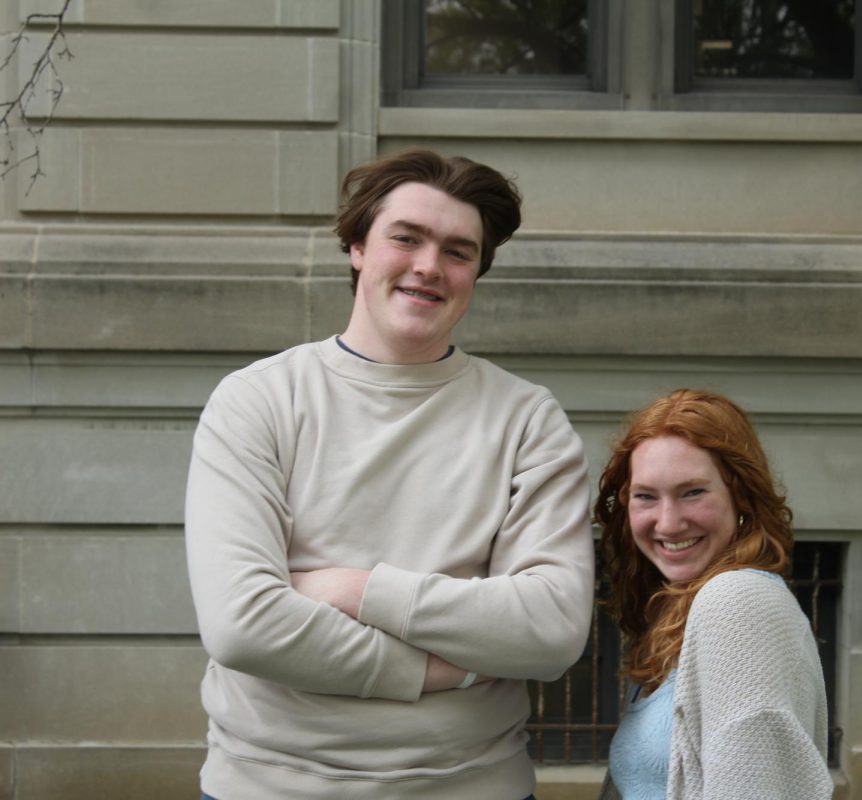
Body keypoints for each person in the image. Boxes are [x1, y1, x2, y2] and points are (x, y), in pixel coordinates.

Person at [185, 148, 594, 799]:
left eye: (458, 252)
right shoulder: (257, 401)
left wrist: (354, 587)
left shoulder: (526, 420)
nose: (429, 266)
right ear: (356, 246)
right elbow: (243, 624)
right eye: (406, 239)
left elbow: (549, 630)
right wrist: (442, 669)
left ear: (476, 273)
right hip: (268, 787)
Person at [594, 389, 832, 800]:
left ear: (741, 496)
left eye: (693, 492)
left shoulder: (738, 602)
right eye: (646, 496)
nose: (668, 524)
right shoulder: (682, 608)